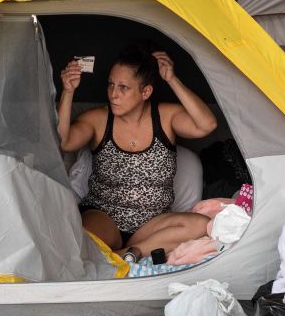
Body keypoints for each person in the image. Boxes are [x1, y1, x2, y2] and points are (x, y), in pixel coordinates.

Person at [57, 44, 218, 261]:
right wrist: (68, 92)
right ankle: (130, 254)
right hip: (105, 218)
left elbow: (206, 125)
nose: (114, 94)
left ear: (145, 92)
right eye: (111, 85)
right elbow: (64, 142)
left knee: (201, 225)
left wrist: (172, 80)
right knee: (76, 241)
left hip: (151, 225)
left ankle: (129, 253)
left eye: (123, 88)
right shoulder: (98, 119)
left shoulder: (165, 116)